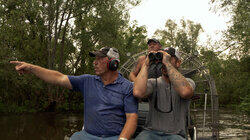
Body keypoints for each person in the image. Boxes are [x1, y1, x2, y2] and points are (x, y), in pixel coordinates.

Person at [10, 47, 138, 140]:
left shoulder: (126, 87)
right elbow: (58, 77)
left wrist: (122, 139)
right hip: (86, 136)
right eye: (95, 59)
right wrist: (31, 68)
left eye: (100, 59)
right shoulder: (87, 81)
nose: (95, 62)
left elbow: (132, 118)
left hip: (113, 137)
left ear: (113, 63)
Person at [133, 47, 195, 140]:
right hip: (151, 132)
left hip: (176, 134)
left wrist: (167, 63)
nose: (163, 62)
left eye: (170, 59)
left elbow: (185, 92)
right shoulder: (153, 83)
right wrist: (146, 65)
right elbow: (138, 92)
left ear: (178, 63)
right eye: (161, 59)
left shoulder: (188, 82)